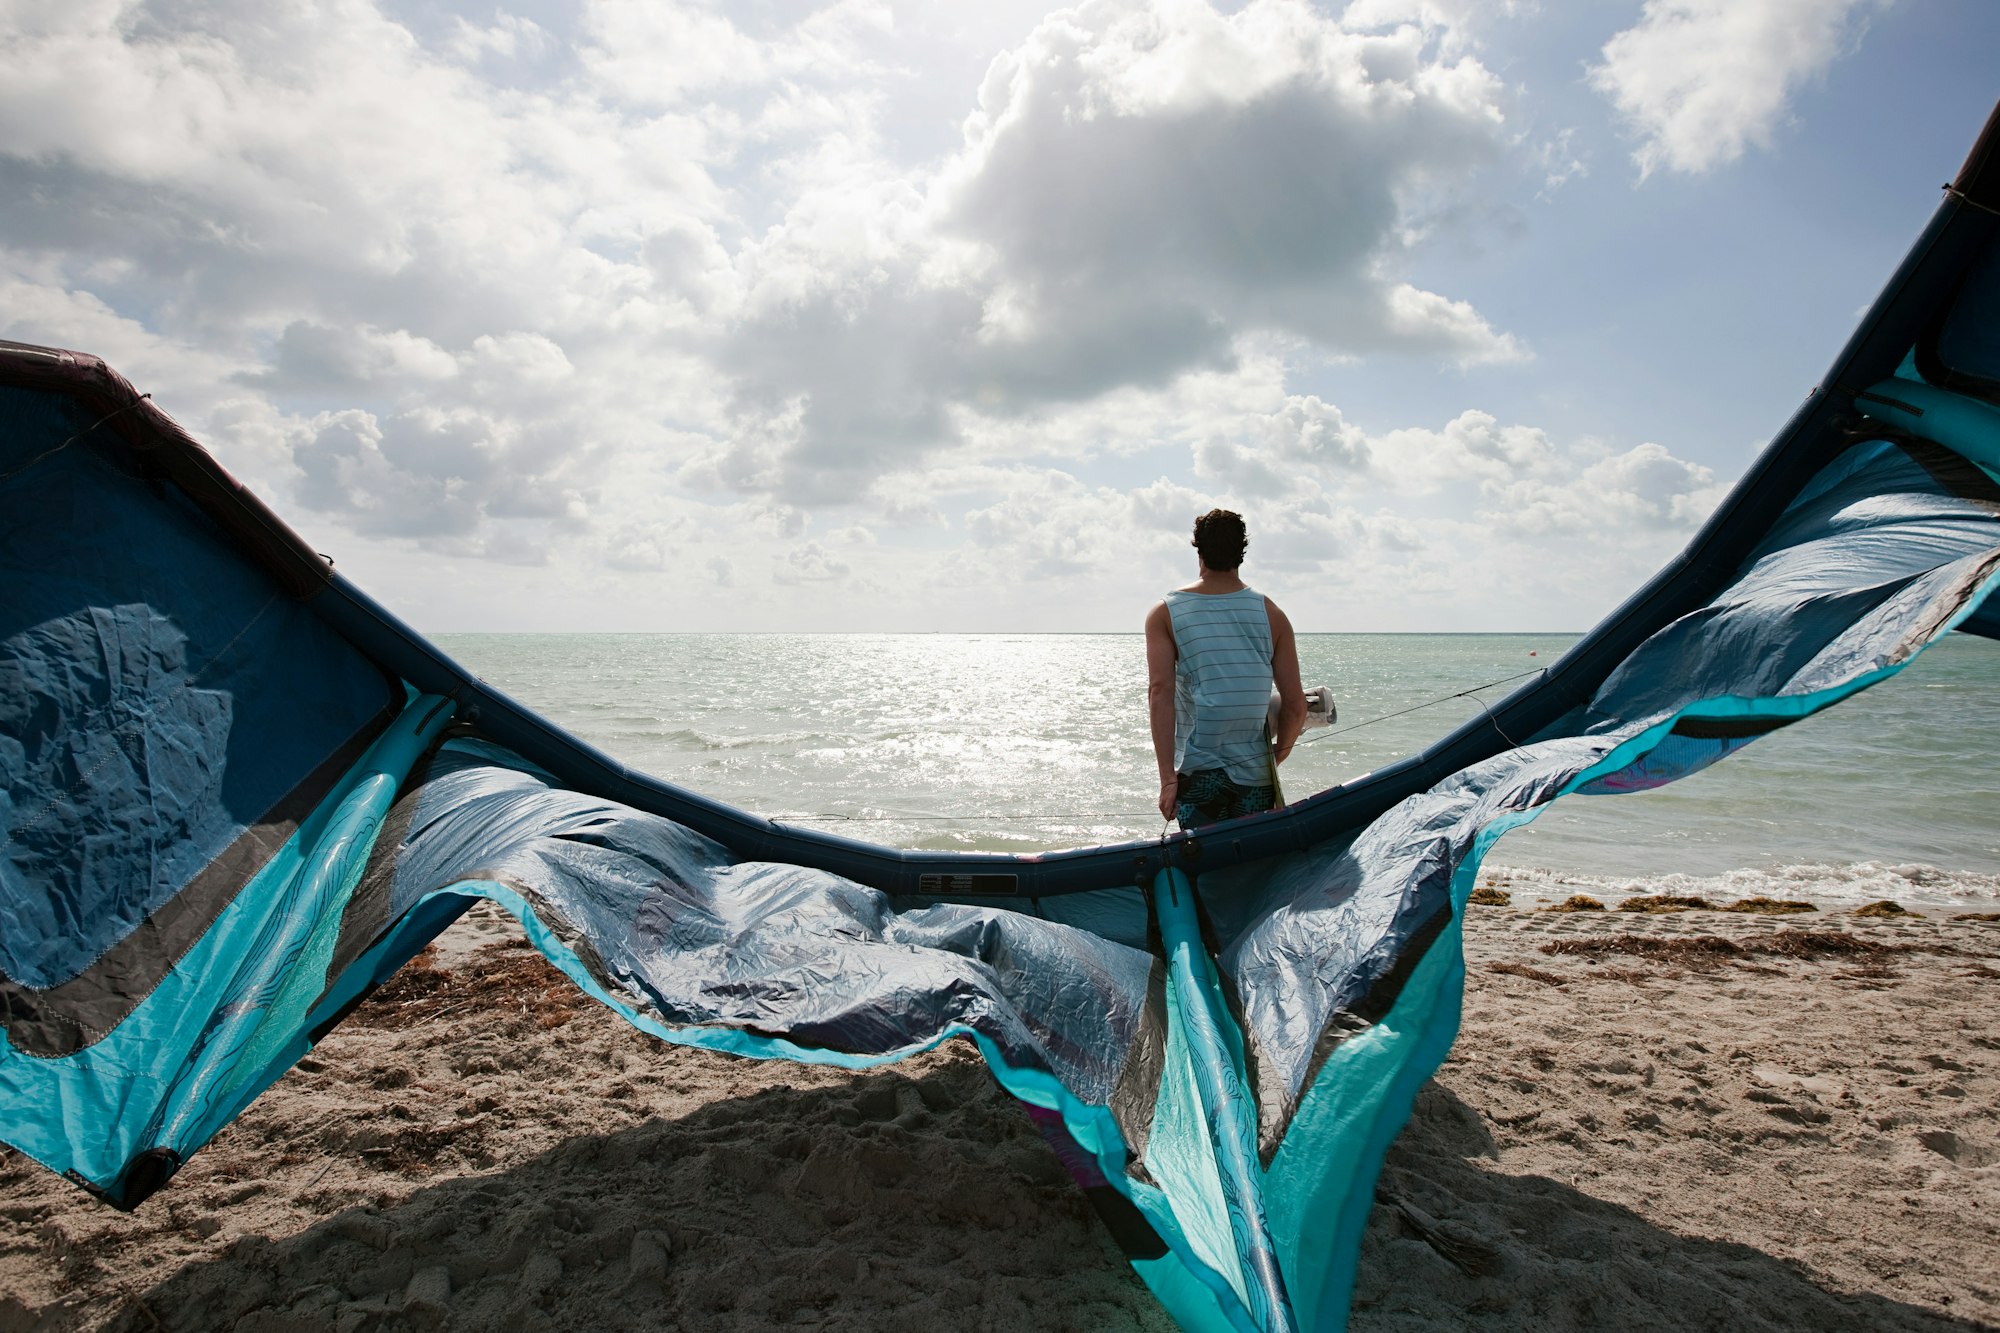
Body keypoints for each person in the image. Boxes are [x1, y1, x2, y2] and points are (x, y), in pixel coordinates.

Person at [1145, 509, 1307, 829]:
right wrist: (1276, 757)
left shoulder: (1165, 612)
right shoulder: (1272, 613)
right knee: (1251, 868)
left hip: (1197, 770)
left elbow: (1160, 692)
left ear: (1198, 551)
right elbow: (1295, 704)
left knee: (1204, 866)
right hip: (1256, 775)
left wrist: (1167, 780)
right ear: (1242, 551)